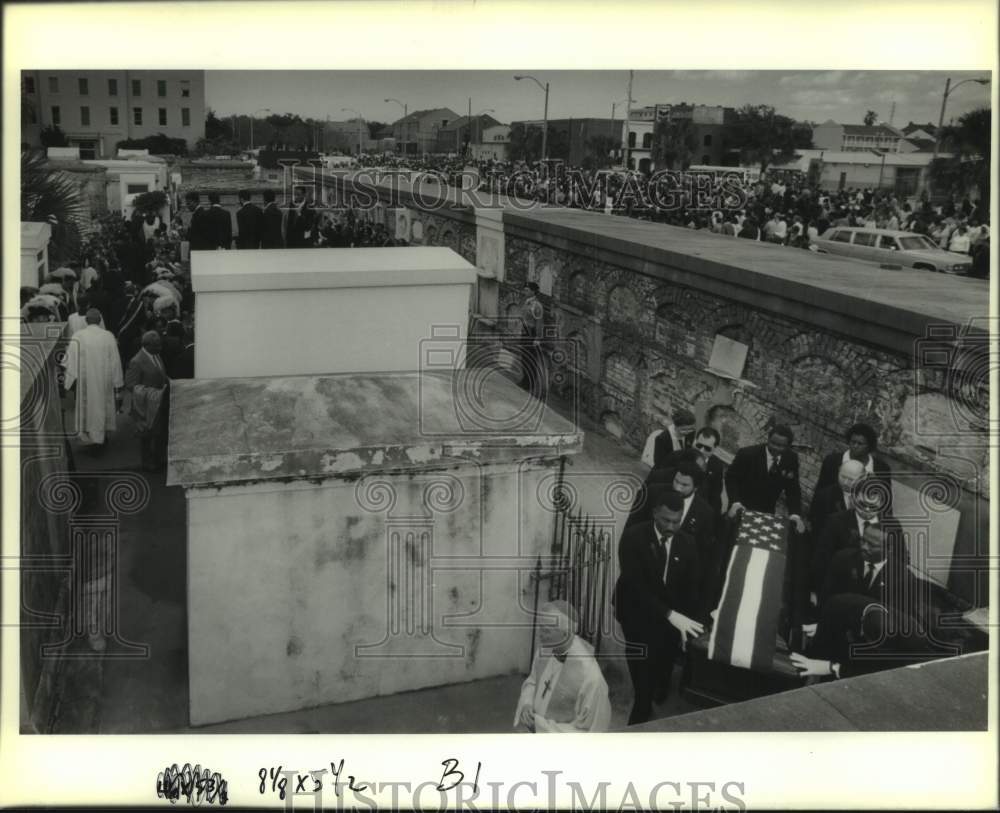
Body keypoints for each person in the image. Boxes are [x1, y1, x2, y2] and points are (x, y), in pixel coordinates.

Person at [613, 492, 703, 725]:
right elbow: (636, 586)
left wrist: (689, 624)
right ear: (655, 513)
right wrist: (671, 615)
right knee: (640, 664)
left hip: (669, 621)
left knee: (662, 658)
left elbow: (691, 589)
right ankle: (641, 711)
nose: (671, 526)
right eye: (666, 520)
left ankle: (659, 687)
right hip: (636, 613)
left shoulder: (688, 544)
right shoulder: (634, 538)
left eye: (677, 520)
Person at [513, 601, 612, 733]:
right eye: (540, 628)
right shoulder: (546, 650)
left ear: (565, 635)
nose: (539, 635)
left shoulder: (591, 678)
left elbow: (590, 732)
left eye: (546, 631)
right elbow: (532, 681)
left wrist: (541, 728)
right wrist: (526, 703)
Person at [61, 309, 123, 452]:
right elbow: (115, 361)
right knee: (101, 407)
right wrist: (118, 383)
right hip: (103, 381)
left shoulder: (78, 335)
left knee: (88, 410)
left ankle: (90, 440)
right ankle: (101, 439)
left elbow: (68, 360)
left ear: (86, 321)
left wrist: (70, 380)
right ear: (100, 320)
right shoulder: (108, 336)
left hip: (85, 383)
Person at [724, 425, 804, 532]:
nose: (775, 448)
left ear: (788, 446)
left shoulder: (791, 459)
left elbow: (793, 490)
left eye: (781, 446)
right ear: (768, 439)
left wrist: (795, 514)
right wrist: (735, 502)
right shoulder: (747, 454)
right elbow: (731, 478)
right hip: (741, 508)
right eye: (773, 443)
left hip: (766, 513)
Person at [125, 330, 169, 471]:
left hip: (159, 402)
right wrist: (151, 393)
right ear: (147, 345)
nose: (160, 348)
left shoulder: (156, 355)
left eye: (160, 345)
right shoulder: (136, 361)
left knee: (160, 432)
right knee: (147, 436)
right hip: (146, 405)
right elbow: (131, 384)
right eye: (157, 345)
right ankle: (147, 462)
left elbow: (162, 374)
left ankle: (160, 458)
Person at [814, 423, 892, 495]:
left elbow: (885, 502)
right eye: (853, 442)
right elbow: (820, 492)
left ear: (869, 446)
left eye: (860, 444)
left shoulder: (882, 469)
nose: (855, 446)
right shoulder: (832, 461)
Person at [808, 458, 866, 538]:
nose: (845, 482)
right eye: (843, 477)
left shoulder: (868, 498)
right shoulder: (824, 496)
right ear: (838, 471)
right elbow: (817, 528)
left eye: (851, 480)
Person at [517, 281, 547, 400]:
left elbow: (539, 322)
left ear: (533, 291)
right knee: (524, 357)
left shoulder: (537, 306)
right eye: (525, 290)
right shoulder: (527, 302)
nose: (525, 292)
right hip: (525, 331)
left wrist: (538, 338)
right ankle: (524, 379)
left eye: (527, 290)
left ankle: (530, 383)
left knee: (531, 359)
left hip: (532, 333)